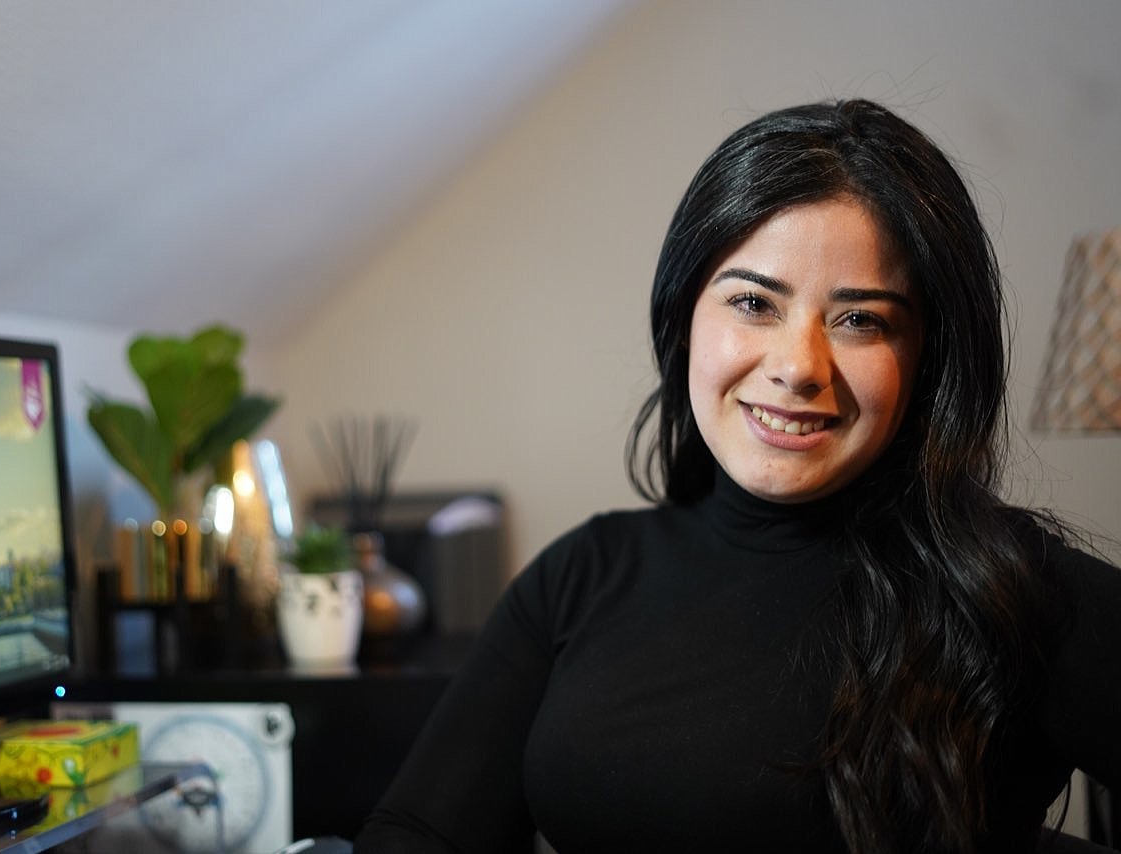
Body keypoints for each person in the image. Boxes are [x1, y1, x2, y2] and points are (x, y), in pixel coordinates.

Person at [353, 99, 1121, 853]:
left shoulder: (1019, 591)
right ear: (685, 316)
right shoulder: (585, 573)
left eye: (862, 320)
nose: (797, 368)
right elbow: (417, 831)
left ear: (926, 360)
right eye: (754, 302)